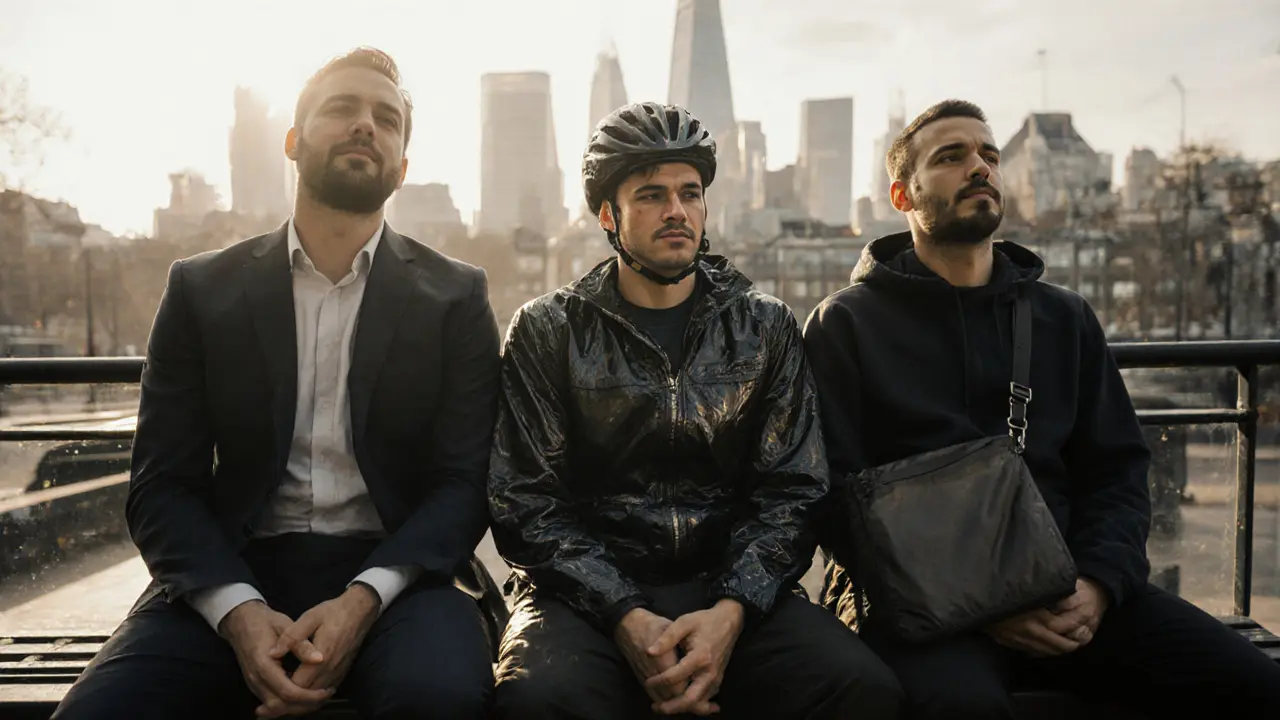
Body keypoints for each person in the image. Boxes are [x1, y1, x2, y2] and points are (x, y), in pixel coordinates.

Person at [53, 47, 501, 720]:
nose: (365, 125)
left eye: (386, 119)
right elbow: (160, 485)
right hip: (234, 568)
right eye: (342, 108)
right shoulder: (201, 289)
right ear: (292, 142)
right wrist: (237, 611)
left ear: (403, 167)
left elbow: (464, 485)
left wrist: (361, 601)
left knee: (439, 702)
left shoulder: (457, 297)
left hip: (400, 579)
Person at [803, 98, 1280, 718]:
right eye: (951, 157)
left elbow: (1118, 471)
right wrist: (983, 602)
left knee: (1254, 684)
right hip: (919, 609)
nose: (980, 167)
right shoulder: (844, 324)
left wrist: (1098, 585)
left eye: (989, 155)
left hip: (1067, 591)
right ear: (902, 195)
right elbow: (834, 501)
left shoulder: (1065, 316)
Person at [487, 101, 903, 720]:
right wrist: (625, 614)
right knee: (535, 699)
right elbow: (526, 500)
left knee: (860, 688)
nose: (676, 210)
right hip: (581, 596)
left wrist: (731, 612)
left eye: (689, 193)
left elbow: (794, 489)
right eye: (651, 195)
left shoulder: (764, 326)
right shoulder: (549, 328)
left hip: (731, 587)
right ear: (608, 215)